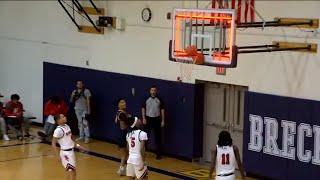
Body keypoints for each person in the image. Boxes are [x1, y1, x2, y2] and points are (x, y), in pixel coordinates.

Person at [52, 114, 85, 180]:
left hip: (71, 152)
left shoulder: (67, 126)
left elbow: (71, 139)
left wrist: (78, 146)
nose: (65, 117)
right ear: (58, 120)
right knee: (72, 172)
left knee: (69, 171)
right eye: (63, 117)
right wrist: (57, 155)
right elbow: (53, 143)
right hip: (66, 154)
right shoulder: (58, 130)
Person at [119, 113, 148, 180]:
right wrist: (143, 161)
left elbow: (128, 148)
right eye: (138, 119)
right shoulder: (142, 134)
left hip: (130, 160)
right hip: (138, 160)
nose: (139, 120)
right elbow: (142, 149)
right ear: (136, 123)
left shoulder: (128, 134)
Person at [141, 85, 165, 159]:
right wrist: (144, 118)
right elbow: (143, 109)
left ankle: (158, 154)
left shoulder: (159, 99)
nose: (153, 92)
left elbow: (162, 110)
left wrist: (163, 120)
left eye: (154, 90)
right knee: (145, 136)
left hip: (157, 119)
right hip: (148, 119)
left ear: (156, 91)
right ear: (150, 91)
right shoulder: (146, 99)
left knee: (158, 137)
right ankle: (143, 152)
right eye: (152, 90)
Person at [115, 98, 130, 176]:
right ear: (118, 105)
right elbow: (123, 127)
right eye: (122, 102)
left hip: (121, 135)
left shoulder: (119, 113)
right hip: (123, 135)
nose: (124, 103)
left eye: (124, 102)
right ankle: (121, 169)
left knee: (126, 154)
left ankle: (125, 169)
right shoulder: (121, 114)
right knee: (124, 154)